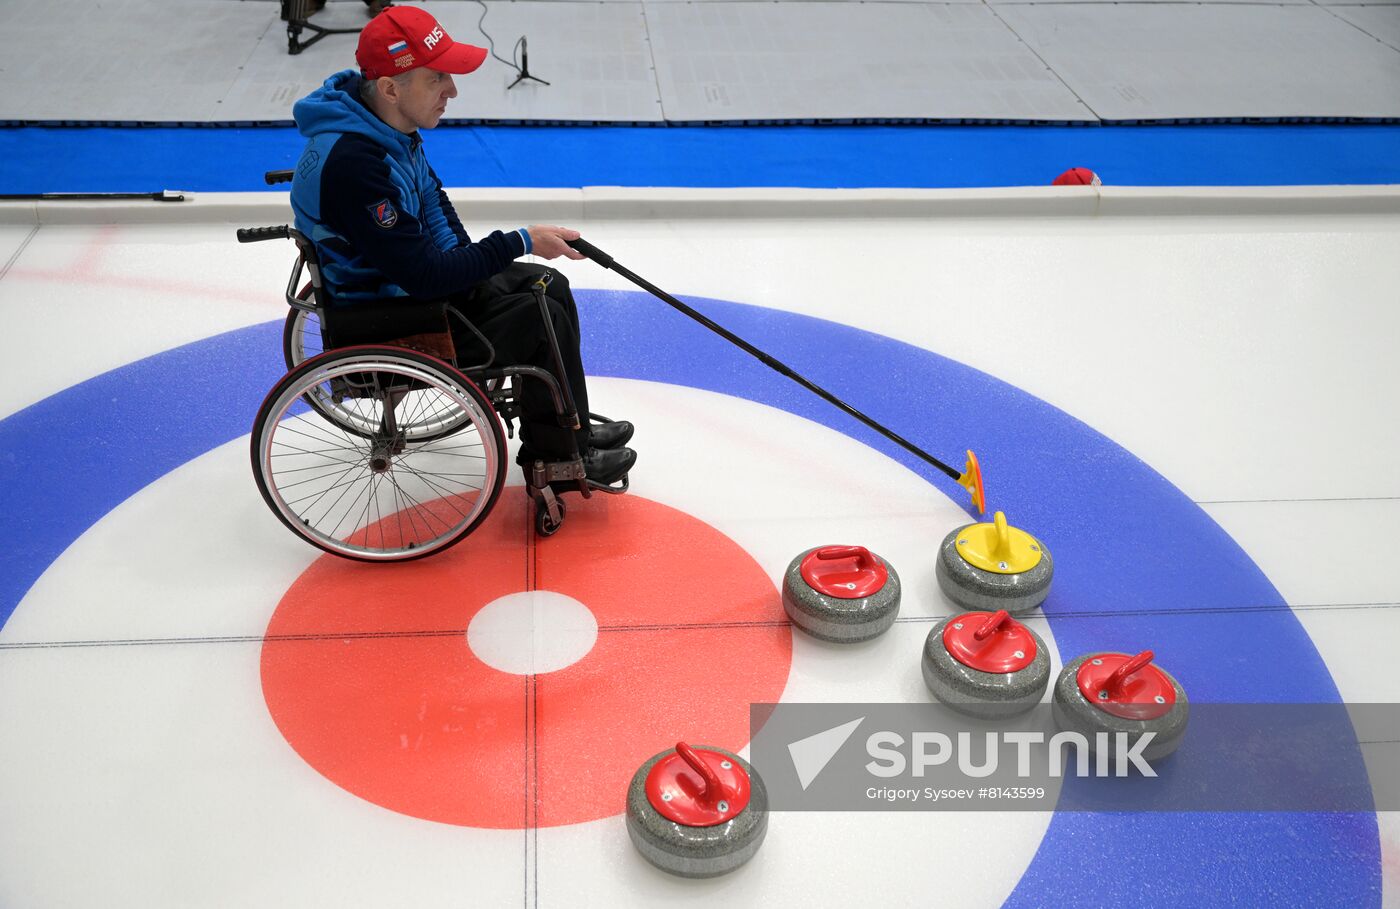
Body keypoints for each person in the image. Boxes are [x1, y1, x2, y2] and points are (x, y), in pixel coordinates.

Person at [289, 5, 635, 486]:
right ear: (391, 87)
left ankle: (570, 427)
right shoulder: (357, 164)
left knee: (547, 283)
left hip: (415, 284)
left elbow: (432, 199)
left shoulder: (383, 124)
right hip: (388, 315)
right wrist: (518, 241)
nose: (452, 91)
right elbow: (424, 277)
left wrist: (472, 267)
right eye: (437, 79)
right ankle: (555, 461)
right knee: (539, 318)